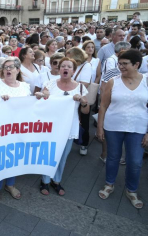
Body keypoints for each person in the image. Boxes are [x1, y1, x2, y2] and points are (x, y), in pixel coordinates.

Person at [97, 50, 148, 209]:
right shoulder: (113, 81)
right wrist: (100, 127)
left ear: (136, 64)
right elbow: (103, 105)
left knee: (135, 161)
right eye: (119, 63)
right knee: (113, 157)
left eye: (125, 64)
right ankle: (109, 183)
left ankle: (131, 190)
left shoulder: (147, 81)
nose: (120, 67)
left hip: (138, 127)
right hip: (113, 126)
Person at [35, 58, 90, 196]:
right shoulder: (50, 85)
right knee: (49, 154)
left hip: (69, 127)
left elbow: (86, 111)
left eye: (69, 66)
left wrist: (83, 102)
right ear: (59, 69)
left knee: (63, 156)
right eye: (63, 66)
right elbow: (41, 105)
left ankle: (57, 180)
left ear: (73, 70)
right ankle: (45, 180)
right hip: (51, 127)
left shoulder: (81, 88)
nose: (65, 68)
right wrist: (42, 96)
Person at [0, 58, 30, 201]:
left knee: (14, 157)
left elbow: (30, 105)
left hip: (18, 129)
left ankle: (10, 184)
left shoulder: (25, 86)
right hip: (1, 129)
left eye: (11, 67)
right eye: (5, 67)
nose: (8, 69)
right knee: (0, 157)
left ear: (18, 70)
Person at [69, 47, 92, 155]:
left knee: (83, 121)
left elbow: (85, 83)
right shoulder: (72, 65)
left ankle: (84, 144)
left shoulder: (86, 66)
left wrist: (70, 83)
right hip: (70, 98)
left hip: (81, 97)